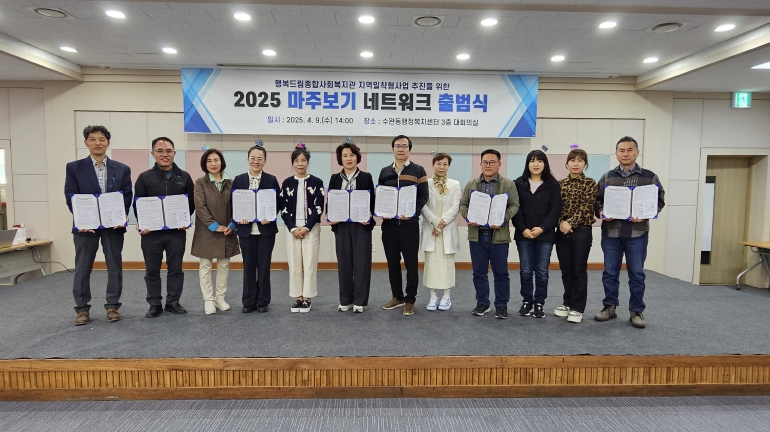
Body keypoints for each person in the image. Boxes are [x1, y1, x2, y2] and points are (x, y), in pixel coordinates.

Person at [64, 125, 133, 326]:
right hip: (86, 227)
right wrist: (81, 220)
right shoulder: (74, 168)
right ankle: (82, 309)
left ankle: (113, 306)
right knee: (83, 267)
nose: (97, 143)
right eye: (92, 139)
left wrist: (121, 215)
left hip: (113, 226)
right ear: (86, 142)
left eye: (102, 139)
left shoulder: (122, 169)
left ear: (108, 143)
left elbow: (126, 195)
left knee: (114, 266)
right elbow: (70, 195)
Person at [594, 136, 665, 329]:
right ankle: (609, 306)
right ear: (616, 153)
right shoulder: (608, 177)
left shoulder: (649, 177)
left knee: (637, 274)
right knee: (610, 272)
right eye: (621, 150)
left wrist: (646, 214)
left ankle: (636, 310)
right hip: (611, 233)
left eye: (629, 150)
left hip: (637, 233)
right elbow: (597, 200)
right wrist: (601, 212)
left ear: (637, 152)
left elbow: (659, 200)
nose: (625, 154)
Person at [134, 137, 195, 318]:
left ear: (174, 153)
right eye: (160, 151)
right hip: (151, 233)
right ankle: (154, 304)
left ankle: (173, 302)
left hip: (176, 232)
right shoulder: (144, 177)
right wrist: (143, 223)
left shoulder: (184, 177)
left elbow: (191, 203)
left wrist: (185, 219)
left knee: (175, 268)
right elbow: (138, 204)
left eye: (168, 151)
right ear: (153, 153)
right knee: (152, 270)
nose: (164, 154)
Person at [459, 149, 520, 319]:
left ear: (499, 164)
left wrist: (502, 218)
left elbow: (515, 205)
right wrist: (468, 216)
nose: (488, 165)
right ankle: (482, 303)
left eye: (492, 162)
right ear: (480, 164)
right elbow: (463, 204)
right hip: (477, 236)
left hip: (498, 237)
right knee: (479, 272)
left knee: (501, 273)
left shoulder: (508, 184)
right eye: (485, 162)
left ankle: (501, 305)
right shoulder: (472, 184)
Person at [378, 135, 429, 316]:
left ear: (409, 149)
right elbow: (381, 195)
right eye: (397, 146)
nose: (401, 149)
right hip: (389, 226)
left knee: (411, 264)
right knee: (392, 263)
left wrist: (412, 211)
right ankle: (397, 297)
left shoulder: (418, 170)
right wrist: (381, 210)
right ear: (393, 149)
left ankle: (410, 300)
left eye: (404, 146)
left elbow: (424, 196)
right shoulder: (385, 171)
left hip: (409, 225)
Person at [232, 141, 280, 314]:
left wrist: (270, 216)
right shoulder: (239, 180)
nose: (256, 161)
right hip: (245, 231)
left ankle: (263, 300)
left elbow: (277, 203)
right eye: (252, 158)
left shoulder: (271, 180)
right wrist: (239, 217)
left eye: (260, 158)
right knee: (249, 266)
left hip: (266, 230)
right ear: (247, 160)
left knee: (264, 266)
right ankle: (248, 301)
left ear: (265, 161)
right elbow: (233, 203)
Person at [513, 150, 562, 319]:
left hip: (545, 235)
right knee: (526, 270)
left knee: (541, 271)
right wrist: (523, 229)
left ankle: (539, 302)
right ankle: (527, 301)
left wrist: (542, 227)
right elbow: (515, 209)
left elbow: (555, 210)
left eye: (540, 161)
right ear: (527, 164)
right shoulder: (518, 183)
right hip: (523, 234)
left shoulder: (553, 185)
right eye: (532, 161)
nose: (536, 164)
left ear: (545, 164)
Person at [328, 139, 375, 313]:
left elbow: (372, 201)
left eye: (352, 155)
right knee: (344, 263)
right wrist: (330, 216)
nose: (348, 158)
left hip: (360, 226)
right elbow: (330, 201)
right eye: (345, 155)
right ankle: (346, 299)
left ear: (357, 157)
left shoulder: (366, 177)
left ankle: (360, 301)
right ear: (340, 159)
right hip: (342, 226)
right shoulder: (334, 178)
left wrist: (369, 215)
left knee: (362, 263)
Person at [191, 148, 240, 315]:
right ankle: (208, 299)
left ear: (222, 162)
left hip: (227, 230)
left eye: (216, 160)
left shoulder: (231, 182)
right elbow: (200, 207)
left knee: (224, 265)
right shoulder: (200, 182)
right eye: (209, 161)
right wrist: (214, 226)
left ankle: (220, 298)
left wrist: (232, 225)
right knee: (205, 265)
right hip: (207, 231)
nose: (213, 164)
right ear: (204, 164)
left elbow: (237, 205)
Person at [279, 144, 325, 313]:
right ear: (293, 163)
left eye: (303, 160)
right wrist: (293, 228)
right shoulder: (287, 183)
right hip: (291, 229)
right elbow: (283, 208)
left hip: (311, 228)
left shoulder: (317, 182)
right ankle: (297, 297)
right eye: (297, 161)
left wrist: (306, 227)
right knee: (294, 264)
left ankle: (307, 297)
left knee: (310, 264)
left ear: (308, 162)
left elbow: (319, 208)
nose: (300, 164)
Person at [554, 148, 597, 324]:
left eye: (580, 160)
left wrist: (570, 223)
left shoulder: (590, 183)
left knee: (579, 269)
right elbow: (555, 208)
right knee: (566, 269)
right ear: (567, 164)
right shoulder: (560, 184)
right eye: (572, 160)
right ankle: (567, 302)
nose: (576, 164)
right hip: (561, 231)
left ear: (585, 164)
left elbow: (587, 207)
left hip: (582, 230)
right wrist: (561, 223)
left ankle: (577, 307)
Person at [420, 152, 461, 311]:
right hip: (431, 228)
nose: (441, 167)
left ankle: (446, 296)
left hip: (447, 229)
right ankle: (433, 296)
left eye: (445, 164)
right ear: (433, 165)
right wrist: (435, 222)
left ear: (448, 166)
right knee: (431, 265)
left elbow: (455, 206)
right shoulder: (426, 183)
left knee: (447, 265)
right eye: (438, 164)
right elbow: (423, 205)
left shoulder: (455, 184)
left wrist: (441, 224)